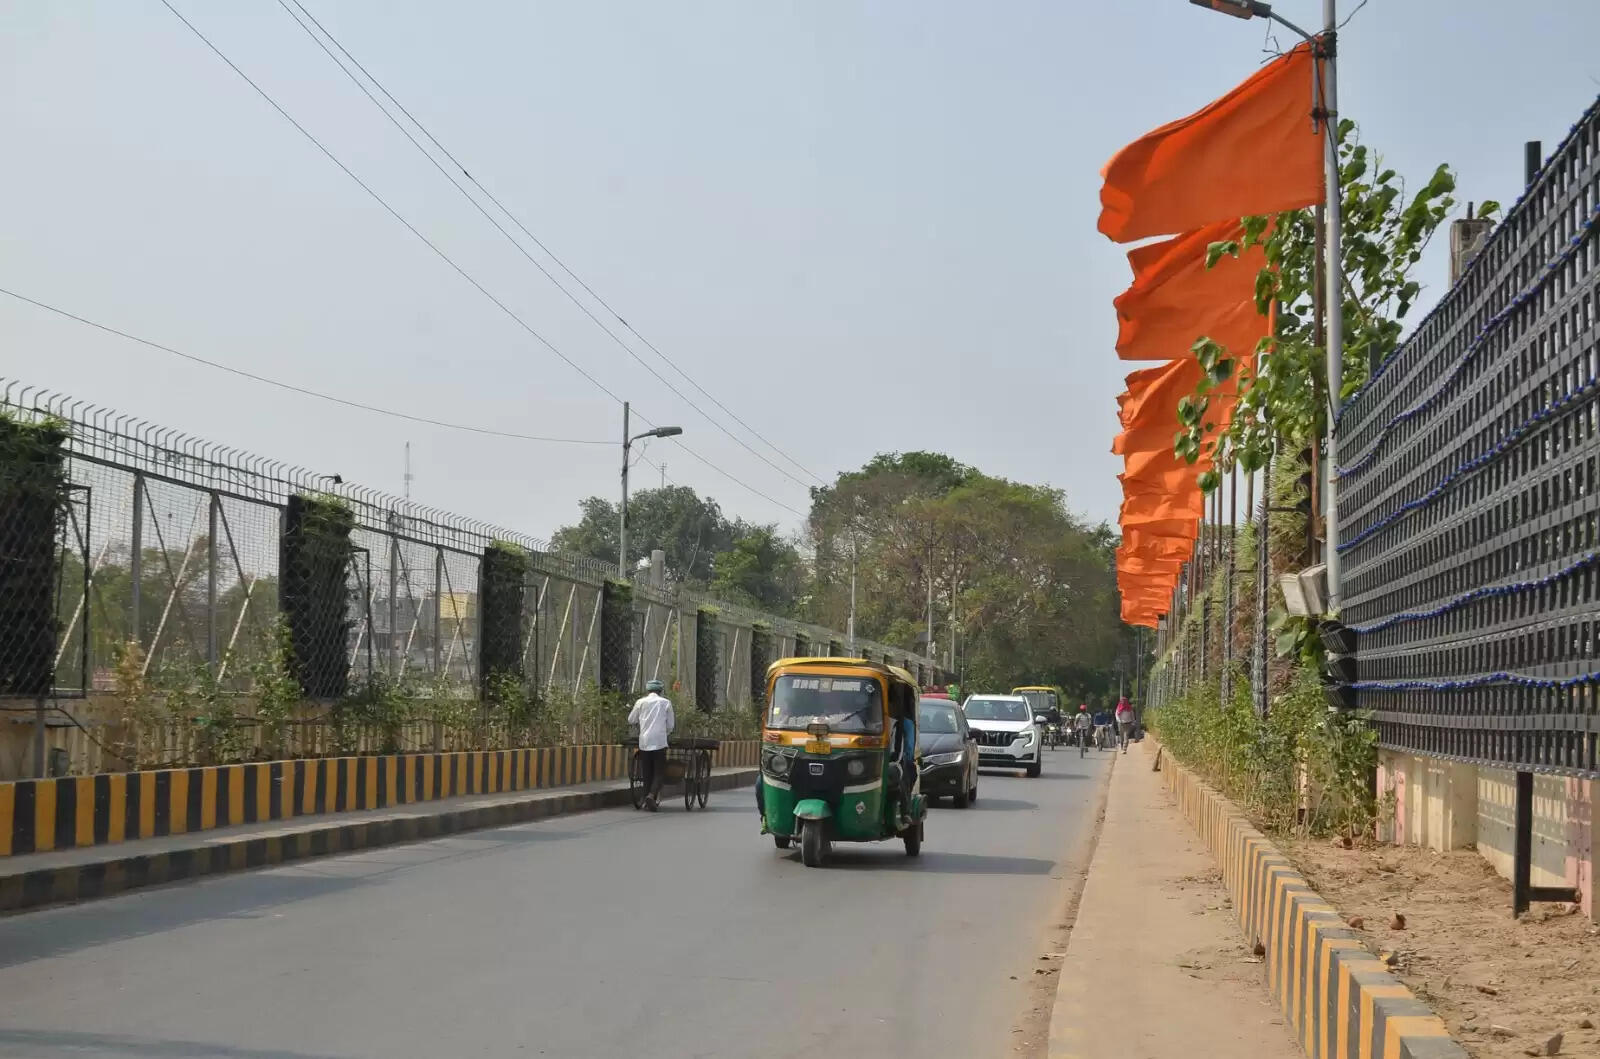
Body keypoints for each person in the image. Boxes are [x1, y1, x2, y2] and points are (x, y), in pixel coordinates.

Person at [628, 678, 675, 811]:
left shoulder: (640, 702)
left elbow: (631, 719)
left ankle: (645, 797)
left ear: (648, 690)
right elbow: (670, 725)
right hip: (659, 742)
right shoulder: (666, 703)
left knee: (647, 772)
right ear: (660, 691)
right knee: (659, 771)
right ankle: (651, 795)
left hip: (644, 741)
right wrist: (665, 733)